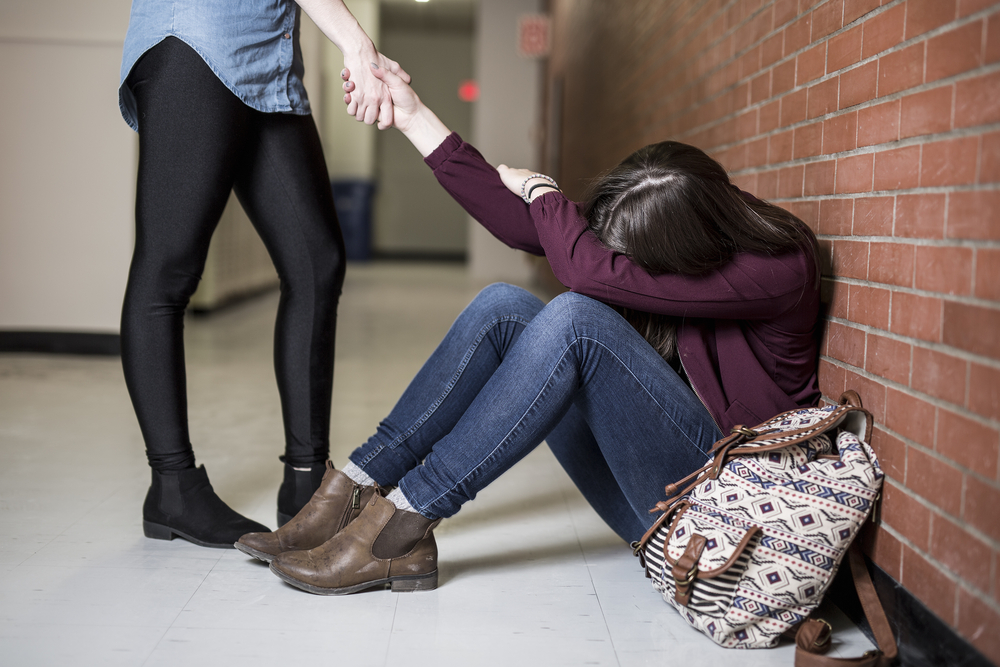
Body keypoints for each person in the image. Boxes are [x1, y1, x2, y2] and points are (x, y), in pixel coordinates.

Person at [236, 64, 821, 595]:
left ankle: (404, 525)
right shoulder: (689, 227)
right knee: (505, 306)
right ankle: (356, 491)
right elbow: (536, 234)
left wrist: (544, 190)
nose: (620, 268)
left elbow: (582, 268)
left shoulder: (777, 268)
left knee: (575, 319)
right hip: (656, 483)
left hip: (718, 519)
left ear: (682, 242)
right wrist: (414, 117)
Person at [117, 0, 410, 549]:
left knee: (316, 263)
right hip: (199, 40)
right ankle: (172, 488)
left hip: (269, 57)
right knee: (167, 271)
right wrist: (357, 45)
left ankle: (305, 483)